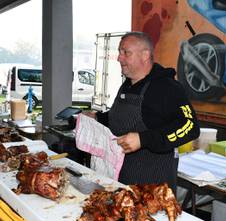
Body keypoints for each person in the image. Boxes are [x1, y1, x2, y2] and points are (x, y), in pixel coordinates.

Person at [84, 32, 200, 190]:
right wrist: (97, 117)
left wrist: (143, 139)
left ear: (145, 55)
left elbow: (190, 126)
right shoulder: (127, 85)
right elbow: (118, 118)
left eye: (126, 52)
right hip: (119, 179)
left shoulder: (168, 88)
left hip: (151, 186)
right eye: (119, 52)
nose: (119, 58)